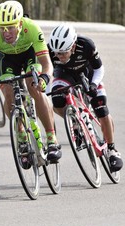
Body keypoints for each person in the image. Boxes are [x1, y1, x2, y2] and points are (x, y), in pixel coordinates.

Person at [0, 0, 62, 162]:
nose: (6, 32)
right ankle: (21, 134)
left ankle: (51, 137)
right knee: (8, 91)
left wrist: (44, 78)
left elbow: (46, 63)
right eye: (2, 28)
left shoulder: (31, 27)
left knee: (35, 87)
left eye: (10, 27)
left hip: (29, 54)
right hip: (7, 59)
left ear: (19, 23)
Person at [48, 23, 123, 172]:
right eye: (56, 53)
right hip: (64, 74)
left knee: (101, 108)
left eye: (63, 52)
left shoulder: (87, 45)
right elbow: (50, 71)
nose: (59, 56)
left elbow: (99, 68)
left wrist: (94, 85)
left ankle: (112, 149)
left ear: (74, 46)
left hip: (88, 74)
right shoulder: (51, 50)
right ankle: (74, 120)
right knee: (56, 100)